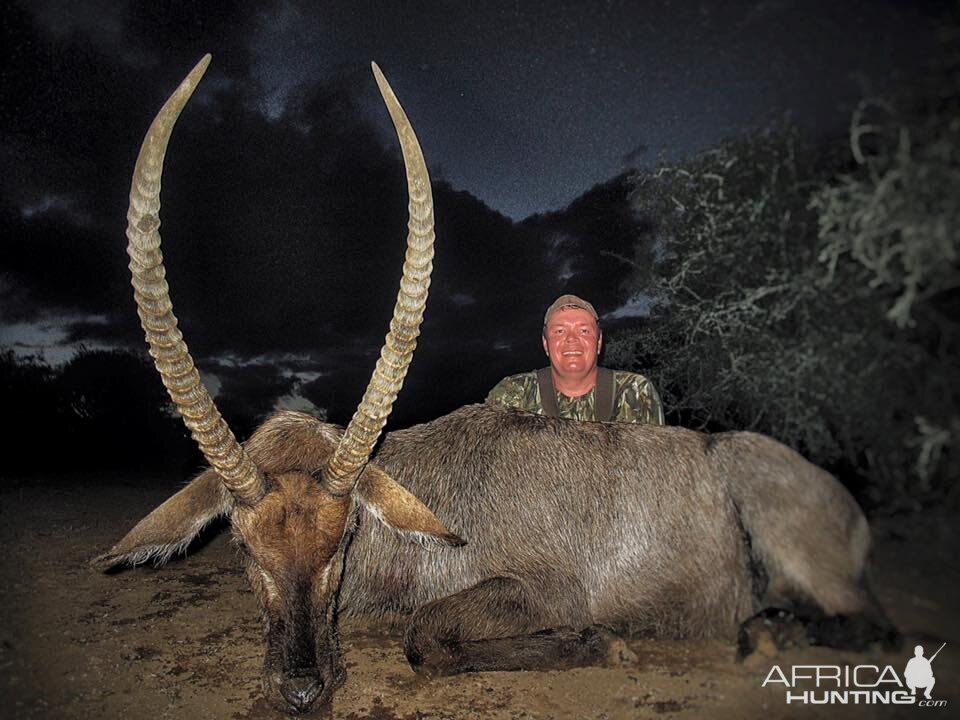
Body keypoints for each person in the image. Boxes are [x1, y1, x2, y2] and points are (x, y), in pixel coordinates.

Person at [486, 294, 664, 424]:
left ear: (599, 342)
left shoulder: (637, 392)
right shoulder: (511, 395)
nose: (571, 339)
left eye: (584, 330)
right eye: (559, 331)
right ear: (546, 344)